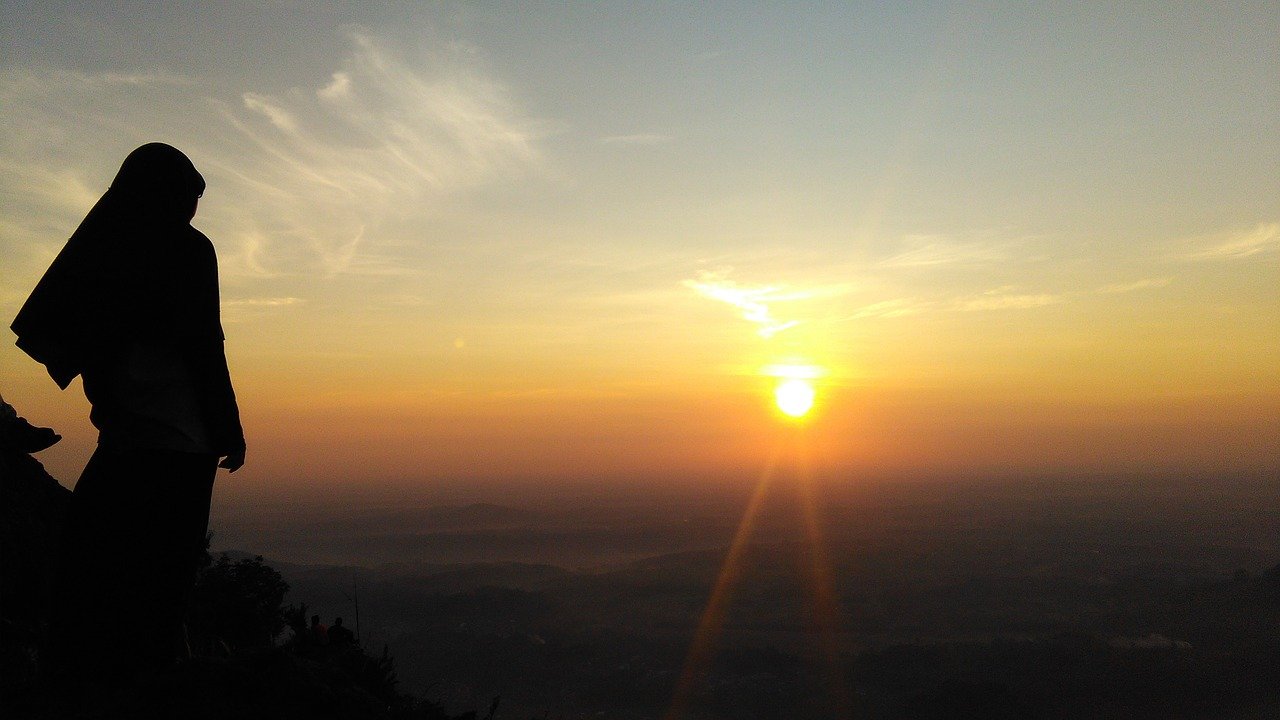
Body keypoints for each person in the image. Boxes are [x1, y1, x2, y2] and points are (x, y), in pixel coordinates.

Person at [12, 143, 245, 680]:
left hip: (125, 436)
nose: (192, 210)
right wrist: (229, 430)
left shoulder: (107, 251)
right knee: (166, 563)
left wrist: (113, 407)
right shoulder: (189, 252)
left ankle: (86, 666)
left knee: (99, 555)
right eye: (189, 197)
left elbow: (87, 343)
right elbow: (206, 346)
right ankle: (148, 671)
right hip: (182, 439)